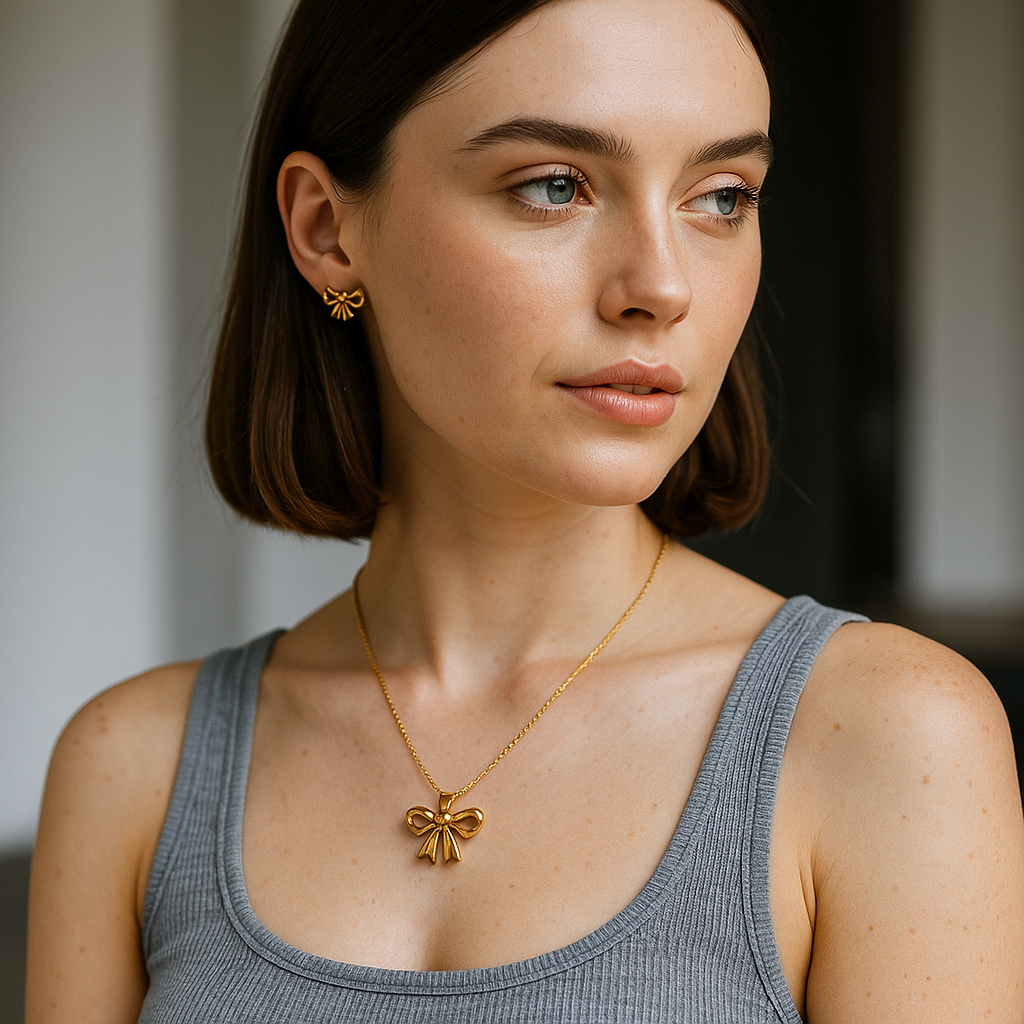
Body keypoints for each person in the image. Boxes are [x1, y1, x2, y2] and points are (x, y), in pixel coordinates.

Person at [25, 0, 1024, 1020]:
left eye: (721, 197)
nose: (661, 286)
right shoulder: (131, 768)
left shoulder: (888, 736)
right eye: (554, 186)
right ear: (326, 228)